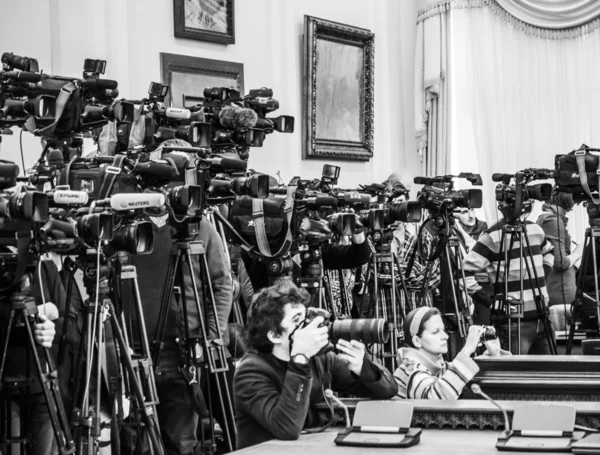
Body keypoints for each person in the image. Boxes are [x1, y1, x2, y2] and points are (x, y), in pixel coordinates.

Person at [127, 139, 234, 455]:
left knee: (180, 441)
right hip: (135, 347)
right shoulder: (128, 223)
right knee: (136, 440)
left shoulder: (199, 227)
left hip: (185, 349)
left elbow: (221, 284)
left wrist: (213, 337)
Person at [233, 281, 397, 449]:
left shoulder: (321, 358)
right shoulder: (251, 371)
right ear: (275, 335)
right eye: (297, 320)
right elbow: (286, 427)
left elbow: (389, 390)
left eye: (306, 317)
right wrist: (300, 358)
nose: (308, 326)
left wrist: (362, 368)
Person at [463, 214, 555, 355]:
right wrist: (490, 302)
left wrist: (542, 275)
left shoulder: (535, 229)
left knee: (551, 374)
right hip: (513, 323)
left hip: (543, 316)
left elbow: (549, 251)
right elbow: (462, 273)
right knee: (514, 374)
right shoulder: (492, 236)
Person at [3, 257, 65, 455]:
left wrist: (51, 329)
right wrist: (41, 312)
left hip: (44, 385)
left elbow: (72, 325)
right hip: (6, 387)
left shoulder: (45, 269)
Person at [393, 307, 505, 399]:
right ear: (417, 341)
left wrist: (494, 354)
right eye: (436, 332)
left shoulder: (440, 367)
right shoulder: (409, 369)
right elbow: (437, 398)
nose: (445, 336)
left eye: (443, 330)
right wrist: (468, 348)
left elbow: (475, 376)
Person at [537, 190, 582, 333]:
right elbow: (559, 262)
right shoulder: (553, 221)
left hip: (559, 288)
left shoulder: (551, 219)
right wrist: (578, 252)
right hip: (561, 290)